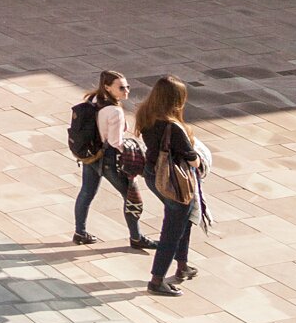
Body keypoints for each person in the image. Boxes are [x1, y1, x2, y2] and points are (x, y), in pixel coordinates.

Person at [135, 75, 206, 295]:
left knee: (183, 217)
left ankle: (182, 265)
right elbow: (191, 157)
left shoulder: (145, 114)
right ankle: (157, 280)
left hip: (153, 174)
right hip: (174, 181)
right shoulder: (173, 126)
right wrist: (201, 162)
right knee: (172, 229)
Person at [70, 70, 151, 251]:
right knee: (131, 197)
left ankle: (80, 232)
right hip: (107, 158)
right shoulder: (114, 111)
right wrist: (132, 150)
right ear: (107, 88)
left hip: (90, 154)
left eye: (127, 86)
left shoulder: (93, 101)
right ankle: (136, 237)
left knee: (86, 192)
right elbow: (115, 142)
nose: (126, 91)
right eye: (121, 88)